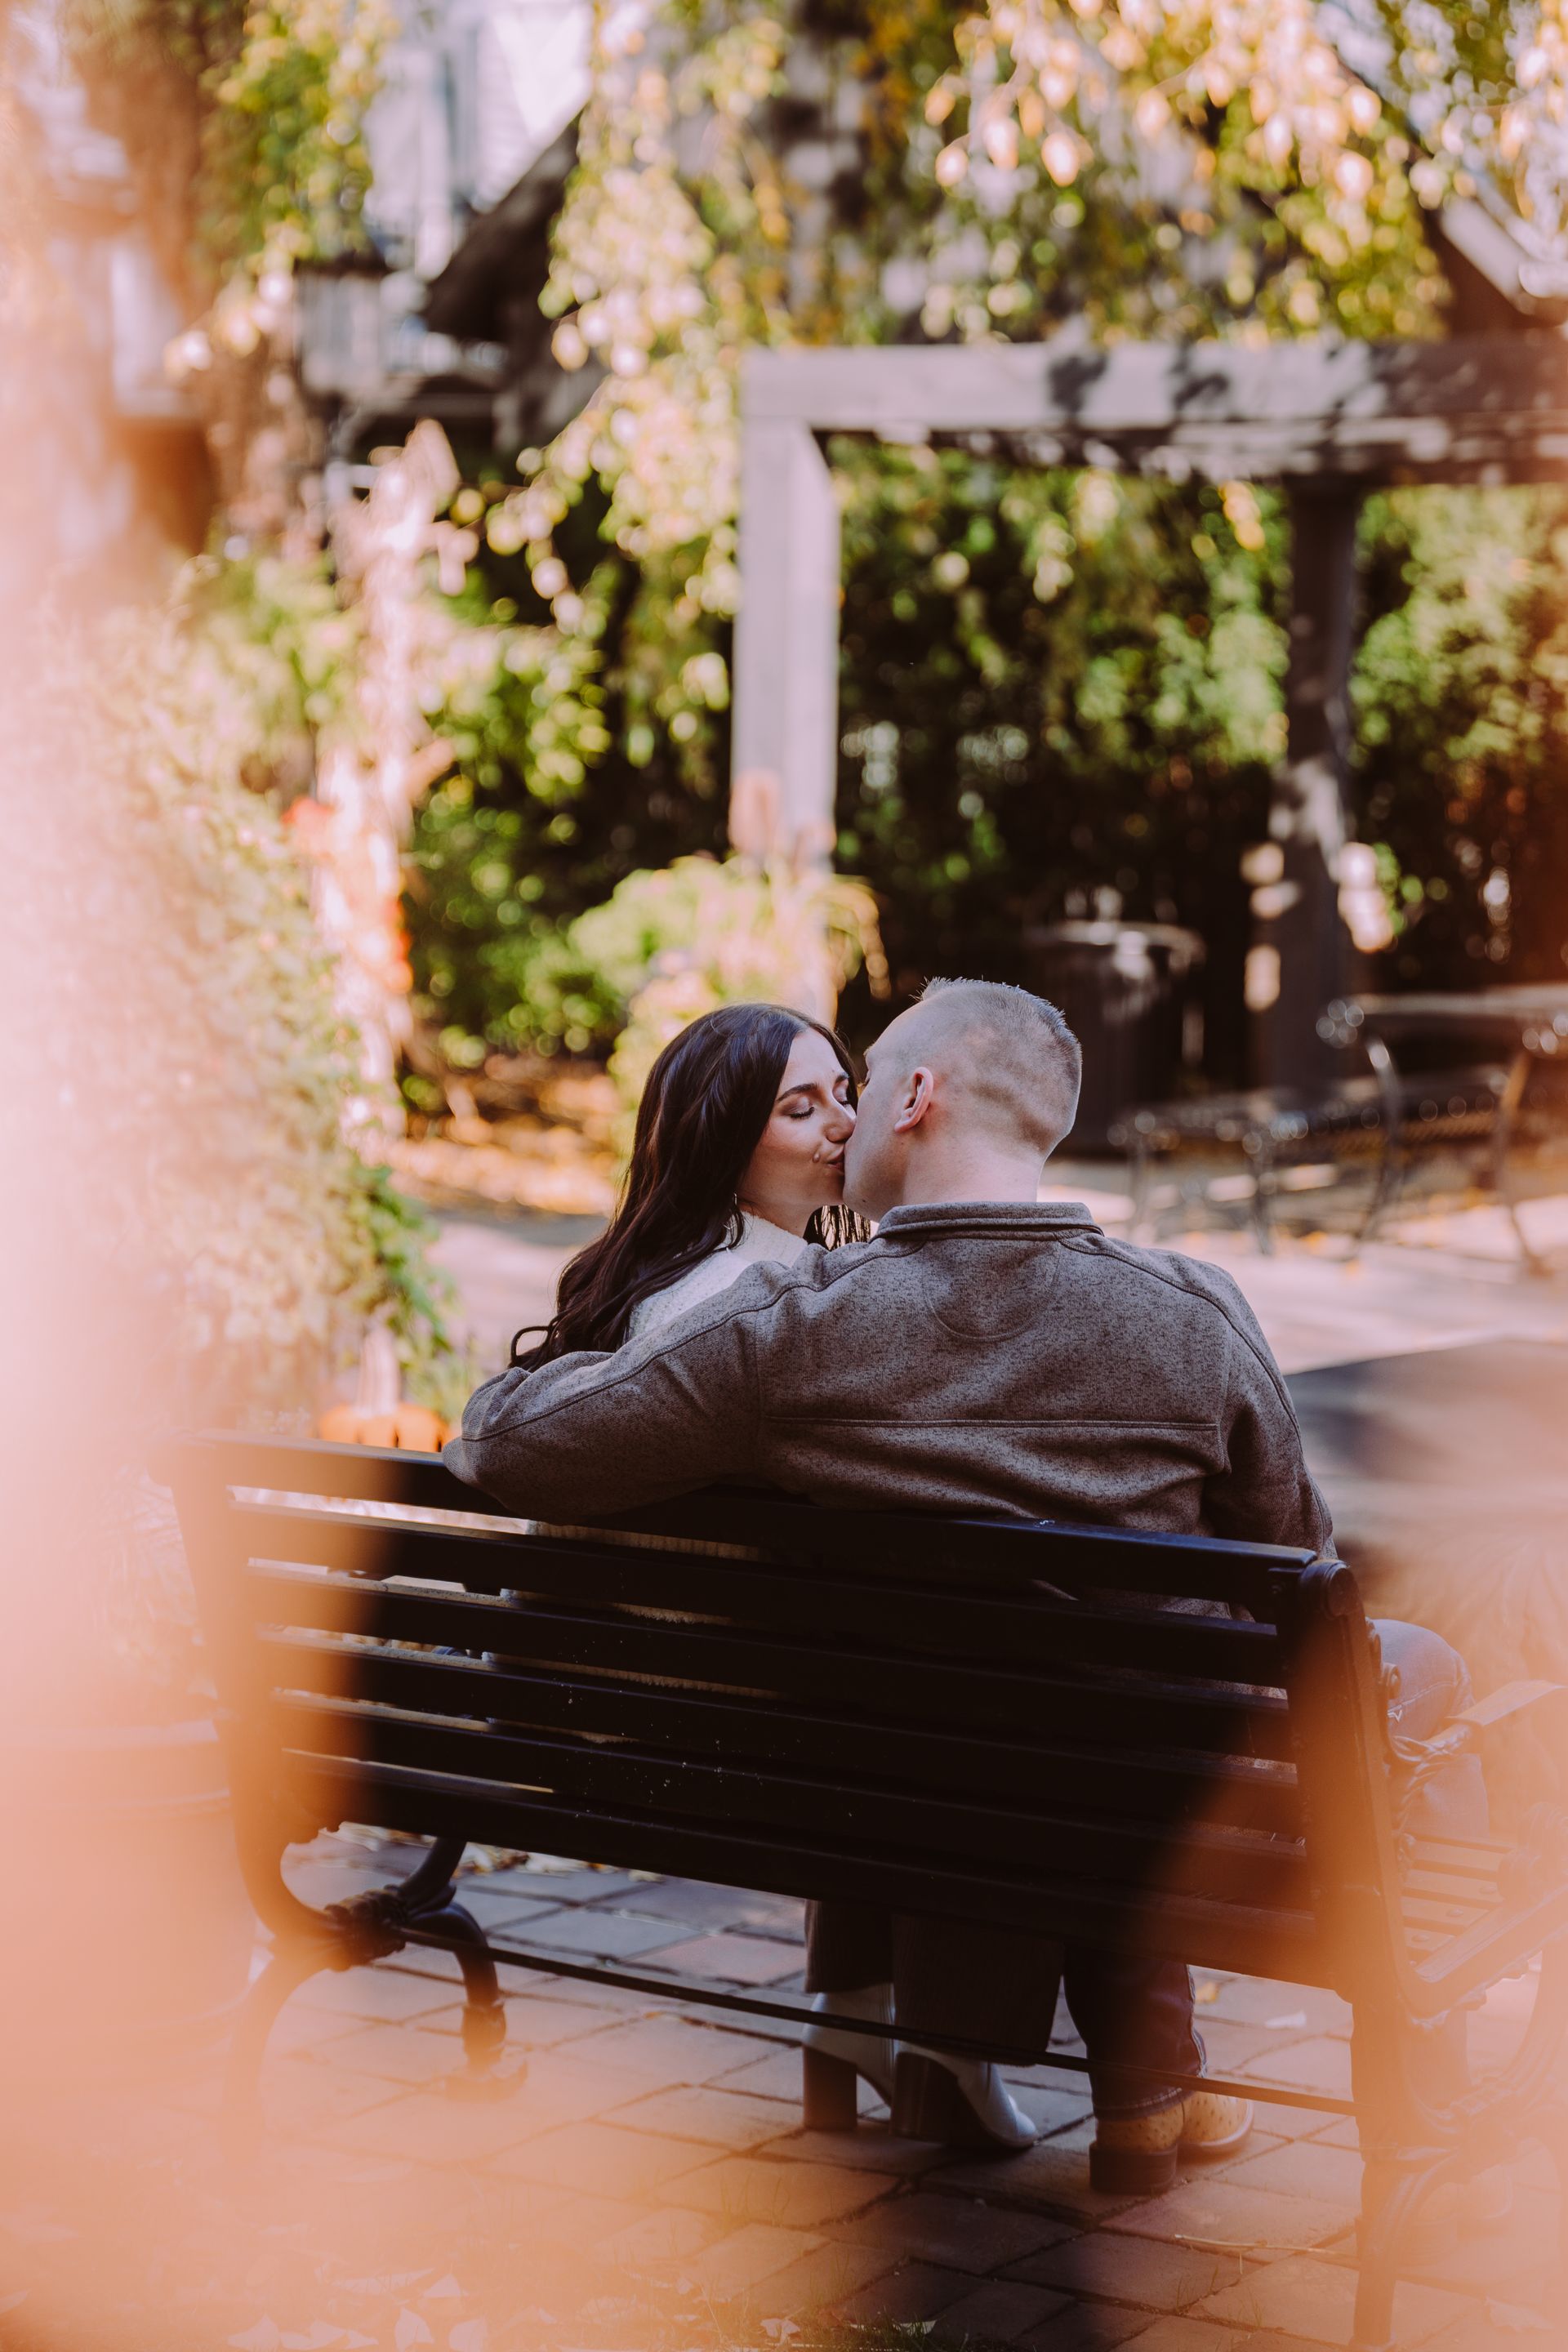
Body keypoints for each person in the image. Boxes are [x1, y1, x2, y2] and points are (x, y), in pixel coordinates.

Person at [448, 978, 1486, 2189]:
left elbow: (508, 1447)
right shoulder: (1193, 1312)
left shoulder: (791, 1332)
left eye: (865, 1081)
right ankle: (1407, 2062)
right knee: (1424, 1667)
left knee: (1066, 1710)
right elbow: (1296, 1573)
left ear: (918, 1099)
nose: (850, 1113)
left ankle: (1124, 2074)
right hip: (1162, 1786)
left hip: (936, 1780)